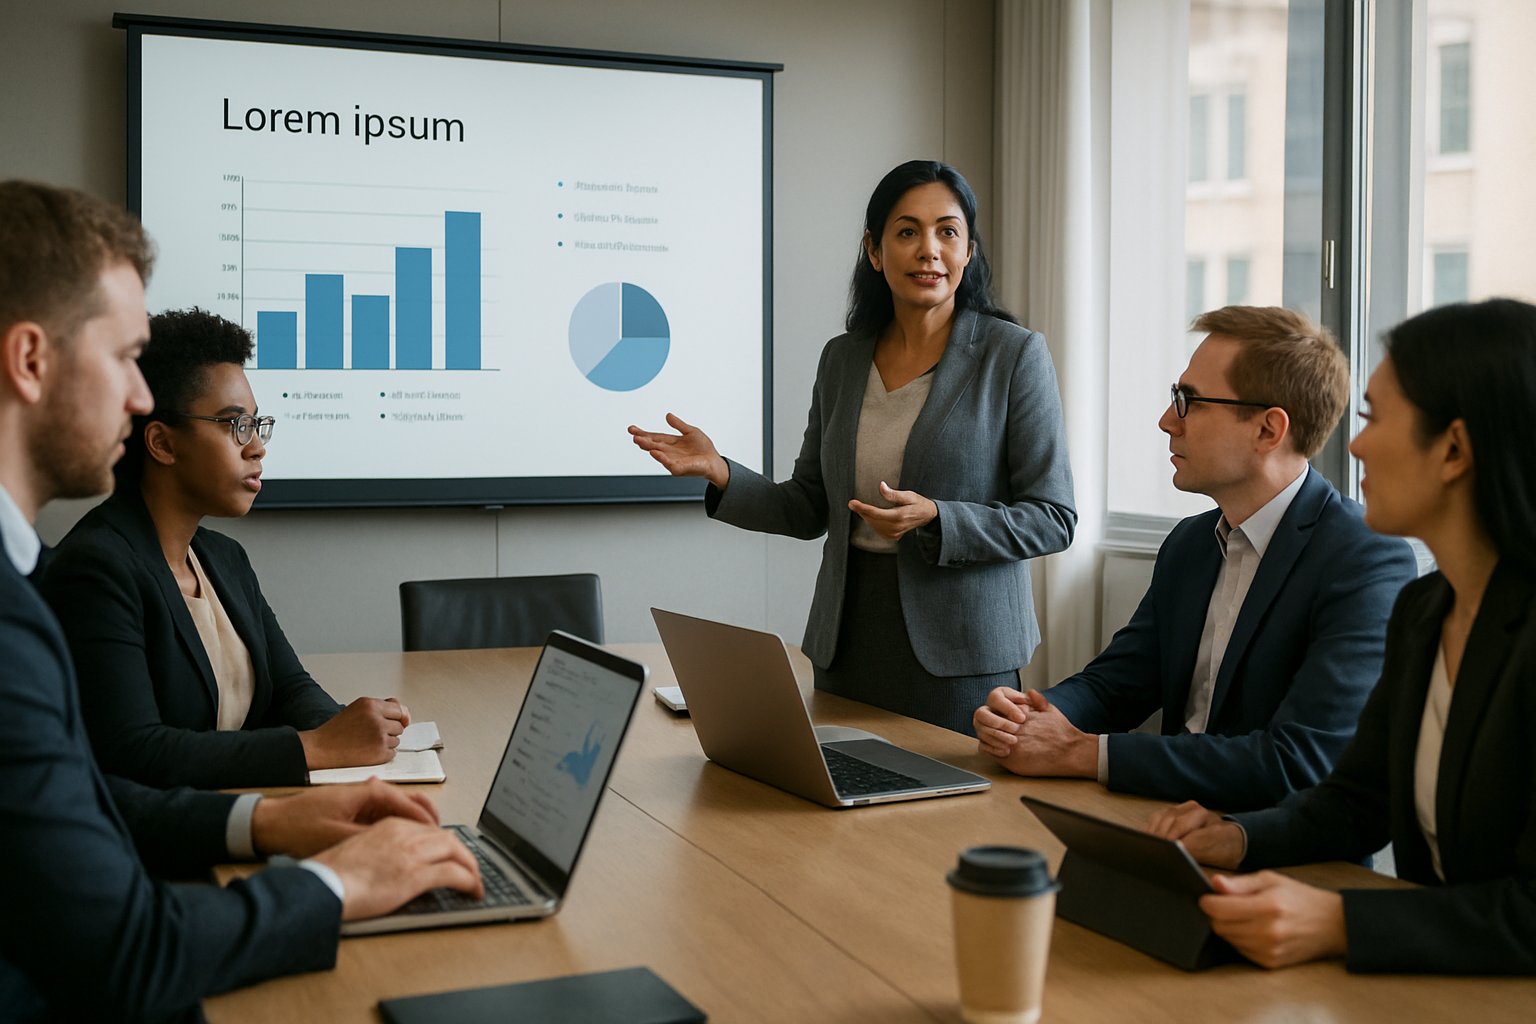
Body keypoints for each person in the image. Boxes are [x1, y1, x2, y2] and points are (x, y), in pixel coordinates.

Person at [0, 179, 481, 1021]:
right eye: (121, 359)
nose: (141, 394)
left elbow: (78, 792)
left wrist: (265, 824)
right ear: (32, 360)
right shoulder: (47, 591)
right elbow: (128, 949)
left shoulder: (37, 574)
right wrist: (339, 883)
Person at [1149, 298, 1536, 974]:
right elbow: (1358, 804)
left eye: (1373, 418)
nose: (1352, 444)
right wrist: (1236, 837)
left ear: (1453, 450)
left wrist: (1339, 920)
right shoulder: (1426, 610)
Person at [629, 160, 1076, 733]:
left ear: (968, 250)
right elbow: (808, 505)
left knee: (948, 821)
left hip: (961, 654)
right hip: (849, 643)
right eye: (907, 231)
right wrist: (721, 472)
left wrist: (938, 518)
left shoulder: (1013, 356)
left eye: (947, 231)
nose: (928, 250)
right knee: (844, 813)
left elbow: (1053, 518)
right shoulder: (842, 359)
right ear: (874, 249)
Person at [974, 307, 1417, 809]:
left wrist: (1086, 754)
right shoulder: (1189, 544)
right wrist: (1031, 715)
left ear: (1269, 430)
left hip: (1282, 861)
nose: (1167, 422)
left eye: (1189, 401)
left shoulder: (1365, 559)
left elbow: (1298, 761)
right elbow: (1116, 686)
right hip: (1160, 820)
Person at [40, 308, 406, 789]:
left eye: (257, 425)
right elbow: (133, 751)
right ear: (162, 443)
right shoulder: (96, 569)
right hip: (167, 845)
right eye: (235, 424)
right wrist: (315, 747)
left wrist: (351, 728)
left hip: (248, 805)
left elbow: (290, 688)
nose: (256, 447)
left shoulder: (223, 558)